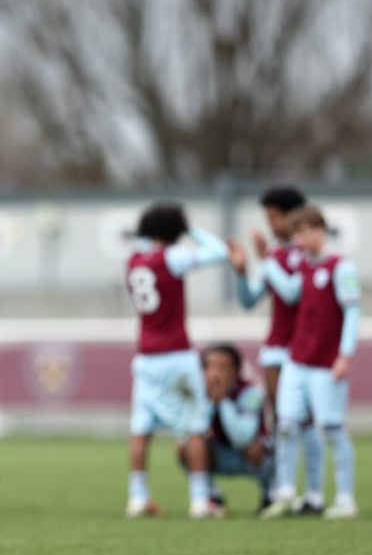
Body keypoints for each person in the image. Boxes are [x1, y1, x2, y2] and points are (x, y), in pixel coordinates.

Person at [254, 206, 360, 519]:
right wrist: (265, 261)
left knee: (332, 427)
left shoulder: (342, 268)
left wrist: (345, 355)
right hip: (297, 359)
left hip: (326, 362)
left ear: (318, 230)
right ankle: (286, 492)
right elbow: (288, 294)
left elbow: (352, 313)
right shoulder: (305, 267)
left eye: (301, 233)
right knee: (286, 423)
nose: (297, 240)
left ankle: (345, 498)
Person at [125, 202, 228, 519]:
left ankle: (138, 497)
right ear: (175, 230)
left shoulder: (134, 260)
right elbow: (219, 250)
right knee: (194, 428)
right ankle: (200, 500)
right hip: (176, 356)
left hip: (145, 357)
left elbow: (146, 243)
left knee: (141, 430)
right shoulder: (174, 257)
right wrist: (190, 231)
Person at [228, 185, 323, 514]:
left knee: (306, 421)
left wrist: (265, 260)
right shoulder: (278, 256)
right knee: (281, 420)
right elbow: (250, 299)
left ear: (293, 215)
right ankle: (280, 490)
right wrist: (242, 272)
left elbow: (293, 294)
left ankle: (313, 494)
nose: (270, 224)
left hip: (304, 350)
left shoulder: (304, 255)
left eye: (275, 217)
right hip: (275, 349)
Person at [196, 343, 275, 515]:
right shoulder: (198, 393)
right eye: (210, 367)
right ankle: (210, 496)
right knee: (188, 446)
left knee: (266, 444)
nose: (215, 373)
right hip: (219, 455)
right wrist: (210, 402)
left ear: (236, 370)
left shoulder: (251, 392)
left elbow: (242, 438)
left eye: (222, 367)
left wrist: (223, 400)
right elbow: (197, 428)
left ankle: (270, 494)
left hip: (248, 455)